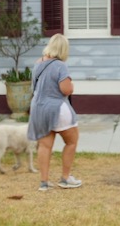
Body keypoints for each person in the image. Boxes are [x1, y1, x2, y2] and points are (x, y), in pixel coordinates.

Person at [27, 33, 81, 191]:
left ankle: (44, 182)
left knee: (44, 146)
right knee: (71, 142)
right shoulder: (60, 65)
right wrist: (71, 86)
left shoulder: (38, 63)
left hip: (38, 108)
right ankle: (65, 178)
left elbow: (34, 88)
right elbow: (66, 90)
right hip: (57, 108)